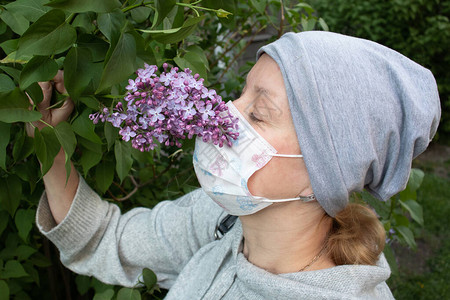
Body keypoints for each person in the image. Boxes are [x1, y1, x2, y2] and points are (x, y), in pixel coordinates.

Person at [33, 31, 440, 299]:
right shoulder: (219, 222)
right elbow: (110, 239)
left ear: (324, 172)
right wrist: (50, 150)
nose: (225, 114)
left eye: (259, 113)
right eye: (240, 94)